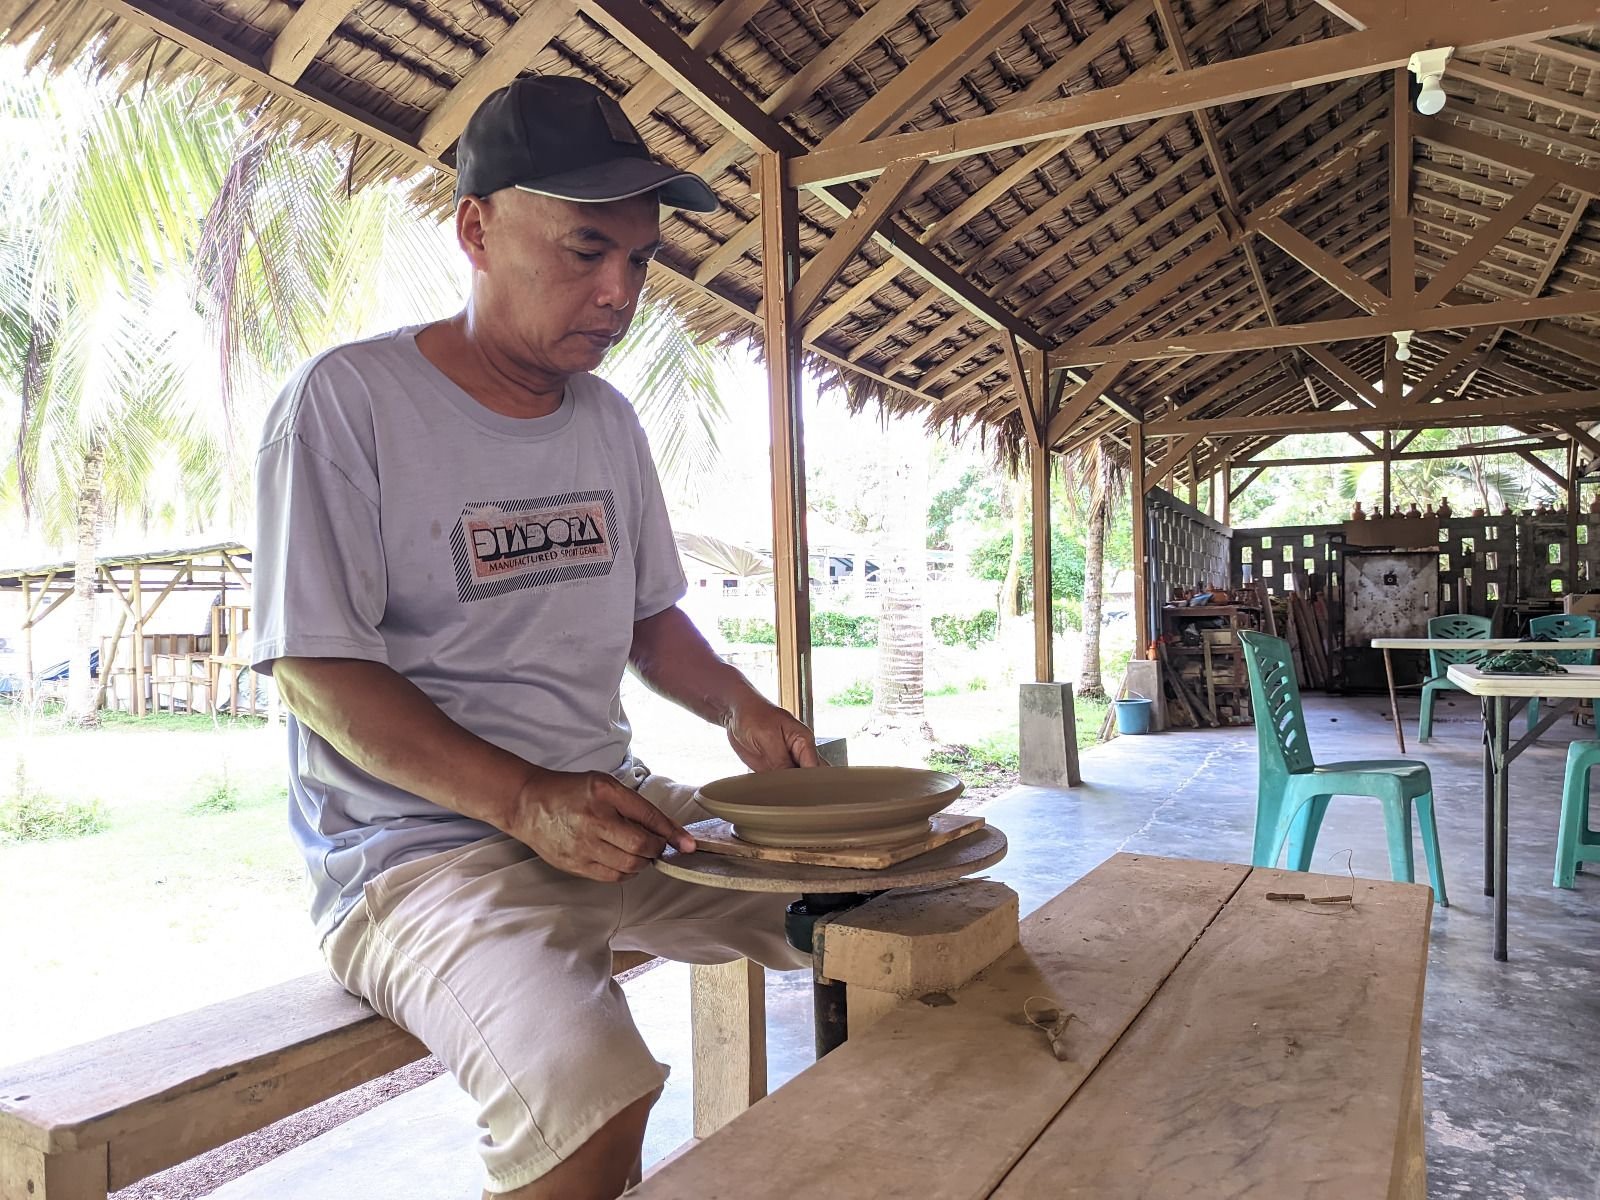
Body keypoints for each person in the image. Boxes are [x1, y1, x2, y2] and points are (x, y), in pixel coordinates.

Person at [250, 75, 818, 1199]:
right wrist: (519, 801)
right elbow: (315, 670)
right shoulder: (347, 402)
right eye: (585, 250)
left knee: (886, 905)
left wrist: (738, 705)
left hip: (617, 814)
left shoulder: (605, 419)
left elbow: (652, 624)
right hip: (419, 858)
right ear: (475, 228)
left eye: (641, 261)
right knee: (587, 1096)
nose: (621, 292)